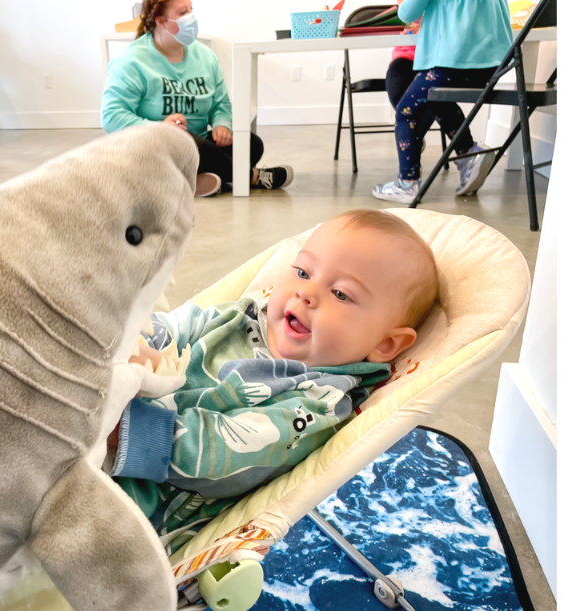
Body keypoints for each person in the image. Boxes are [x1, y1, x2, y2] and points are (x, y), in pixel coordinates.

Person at [106, 209, 440, 549]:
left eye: (341, 294)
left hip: (126, 508)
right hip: (104, 407)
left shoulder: (317, 403)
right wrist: (130, 343)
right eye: (303, 272)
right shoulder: (240, 317)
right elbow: (174, 326)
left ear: (385, 344)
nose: (306, 293)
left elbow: (225, 454)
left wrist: (120, 427)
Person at [104, 0, 294, 196]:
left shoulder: (205, 56)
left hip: (199, 145)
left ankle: (188, 181)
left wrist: (222, 124)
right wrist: (160, 127)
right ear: (160, 21)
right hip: (152, 149)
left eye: (191, 10)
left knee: (252, 144)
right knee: (184, 140)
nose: (191, 17)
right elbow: (111, 116)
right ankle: (252, 177)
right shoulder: (131, 61)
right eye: (182, 12)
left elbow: (220, 102)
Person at [372, 0, 510, 204]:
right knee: (434, 98)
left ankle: (407, 183)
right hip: (493, 66)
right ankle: (468, 154)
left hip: (452, 60)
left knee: (406, 112)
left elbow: (407, 14)